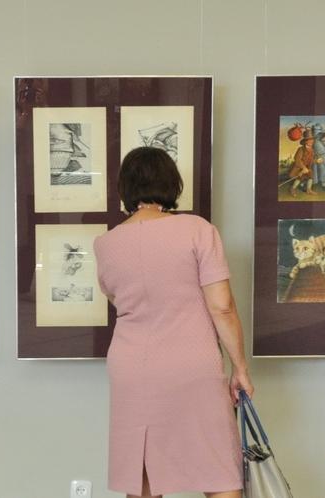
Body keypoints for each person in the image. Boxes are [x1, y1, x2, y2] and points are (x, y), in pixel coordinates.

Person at [93, 147, 254, 498]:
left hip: (131, 368)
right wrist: (240, 367)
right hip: (192, 364)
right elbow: (222, 307)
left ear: (124, 188)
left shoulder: (105, 243)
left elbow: (118, 299)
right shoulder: (198, 230)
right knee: (218, 472)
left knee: (142, 476)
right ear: (171, 184)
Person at [288, 127, 317, 197]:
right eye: (309, 140)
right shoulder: (301, 149)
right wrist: (303, 168)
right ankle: (292, 189)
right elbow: (297, 159)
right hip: (299, 167)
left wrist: (316, 161)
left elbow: (311, 160)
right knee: (299, 178)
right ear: (305, 141)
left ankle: (308, 190)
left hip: (307, 167)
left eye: (312, 140)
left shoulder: (312, 150)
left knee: (310, 177)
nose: (311, 141)